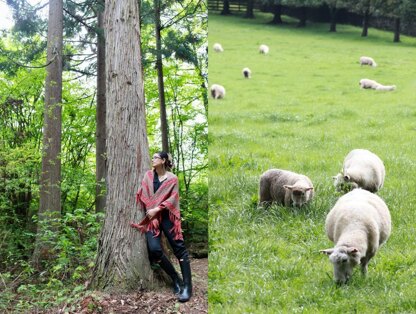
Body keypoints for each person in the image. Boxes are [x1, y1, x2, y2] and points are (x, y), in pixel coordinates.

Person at [131, 151, 192, 302]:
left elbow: (173, 198)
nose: (152, 159)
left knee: (179, 249)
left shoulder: (172, 179)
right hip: (152, 219)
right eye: (152, 157)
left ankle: (188, 287)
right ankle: (176, 279)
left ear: (163, 160)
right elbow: (144, 193)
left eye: (156, 157)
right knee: (155, 250)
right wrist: (150, 210)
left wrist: (157, 209)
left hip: (167, 216)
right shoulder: (148, 176)